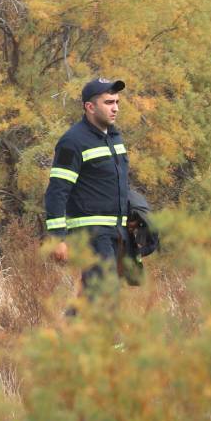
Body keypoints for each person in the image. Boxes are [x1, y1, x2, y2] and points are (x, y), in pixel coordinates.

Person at [45, 77, 142, 297]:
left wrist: (131, 217)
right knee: (102, 295)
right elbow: (57, 191)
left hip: (117, 232)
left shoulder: (115, 138)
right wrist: (58, 238)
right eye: (108, 103)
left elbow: (115, 184)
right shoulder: (73, 141)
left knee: (99, 298)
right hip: (91, 234)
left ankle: (69, 331)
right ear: (90, 107)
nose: (115, 108)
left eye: (117, 102)